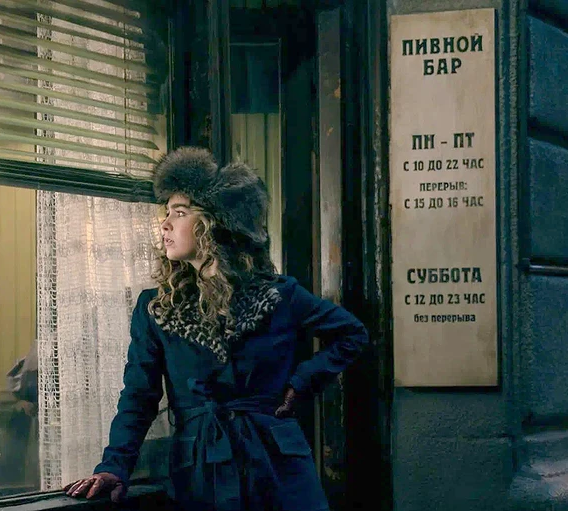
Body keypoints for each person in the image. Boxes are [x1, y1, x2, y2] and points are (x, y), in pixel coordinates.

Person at [63, 147, 369, 510]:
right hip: (201, 469)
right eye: (167, 213)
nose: (165, 224)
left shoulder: (280, 295)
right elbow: (139, 396)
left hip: (278, 465)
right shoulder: (155, 308)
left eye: (180, 213)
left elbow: (352, 334)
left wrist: (300, 383)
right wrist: (114, 466)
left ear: (215, 224)